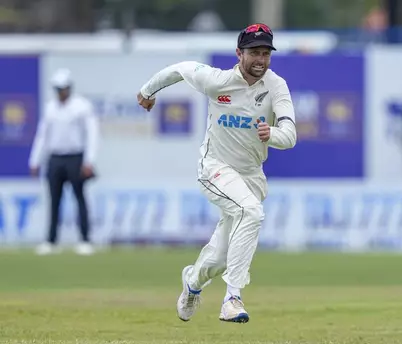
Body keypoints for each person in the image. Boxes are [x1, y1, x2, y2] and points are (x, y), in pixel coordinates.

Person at [136, 23, 297, 323]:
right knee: (252, 213)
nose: (260, 60)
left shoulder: (277, 87)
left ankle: (192, 283)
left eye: (265, 53)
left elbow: (289, 135)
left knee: (220, 256)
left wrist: (271, 133)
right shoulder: (218, 81)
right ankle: (232, 298)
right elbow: (180, 68)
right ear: (239, 53)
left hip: (251, 176)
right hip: (215, 169)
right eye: (253, 53)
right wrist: (147, 91)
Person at [28, 68, 99, 256]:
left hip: (75, 157)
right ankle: (51, 240)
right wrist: (35, 160)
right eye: (58, 89)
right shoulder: (50, 107)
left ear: (69, 87)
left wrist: (88, 160)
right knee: (54, 200)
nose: (61, 92)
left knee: (79, 199)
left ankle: (85, 240)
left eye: (64, 88)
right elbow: (43, 135)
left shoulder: (82, 106)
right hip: (55, 158)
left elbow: (91, 134)